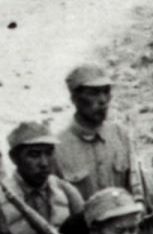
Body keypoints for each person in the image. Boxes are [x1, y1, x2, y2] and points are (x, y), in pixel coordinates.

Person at [50, 68, 136, 202]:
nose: (103, 100)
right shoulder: (57, 148)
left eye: (106, 92)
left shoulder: (120, 135)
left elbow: (136, 189)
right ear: (74, 98)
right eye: (93, 93)